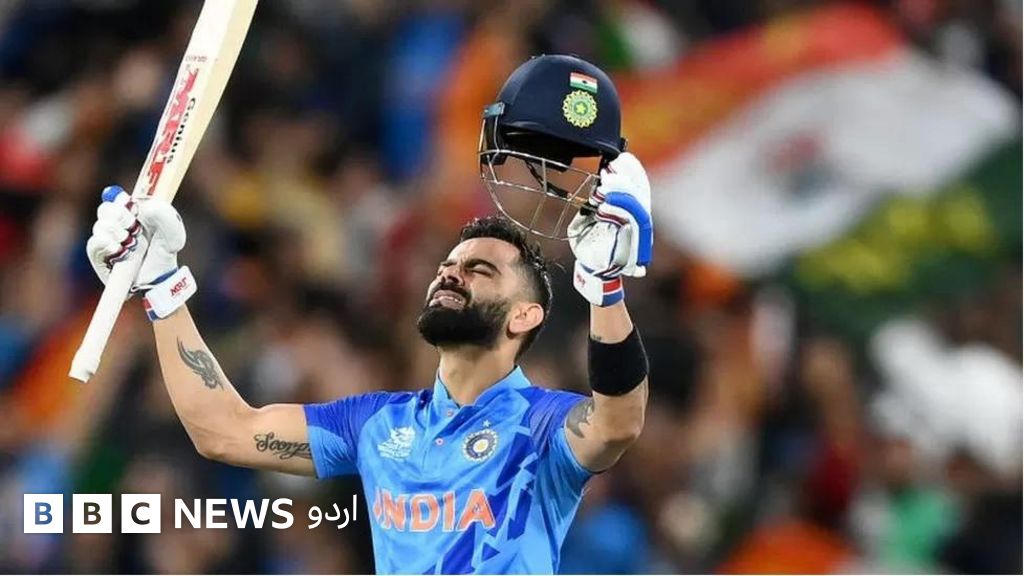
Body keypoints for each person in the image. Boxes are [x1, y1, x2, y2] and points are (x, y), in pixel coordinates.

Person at [85, 54, 654, 574]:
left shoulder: (541, 426)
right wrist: (160, 286)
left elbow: (618, 422)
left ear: (524, 316)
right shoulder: (378, 424)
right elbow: (225, 431)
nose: (450, 273)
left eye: (479, 270)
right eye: (448, 265)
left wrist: (605, 286)